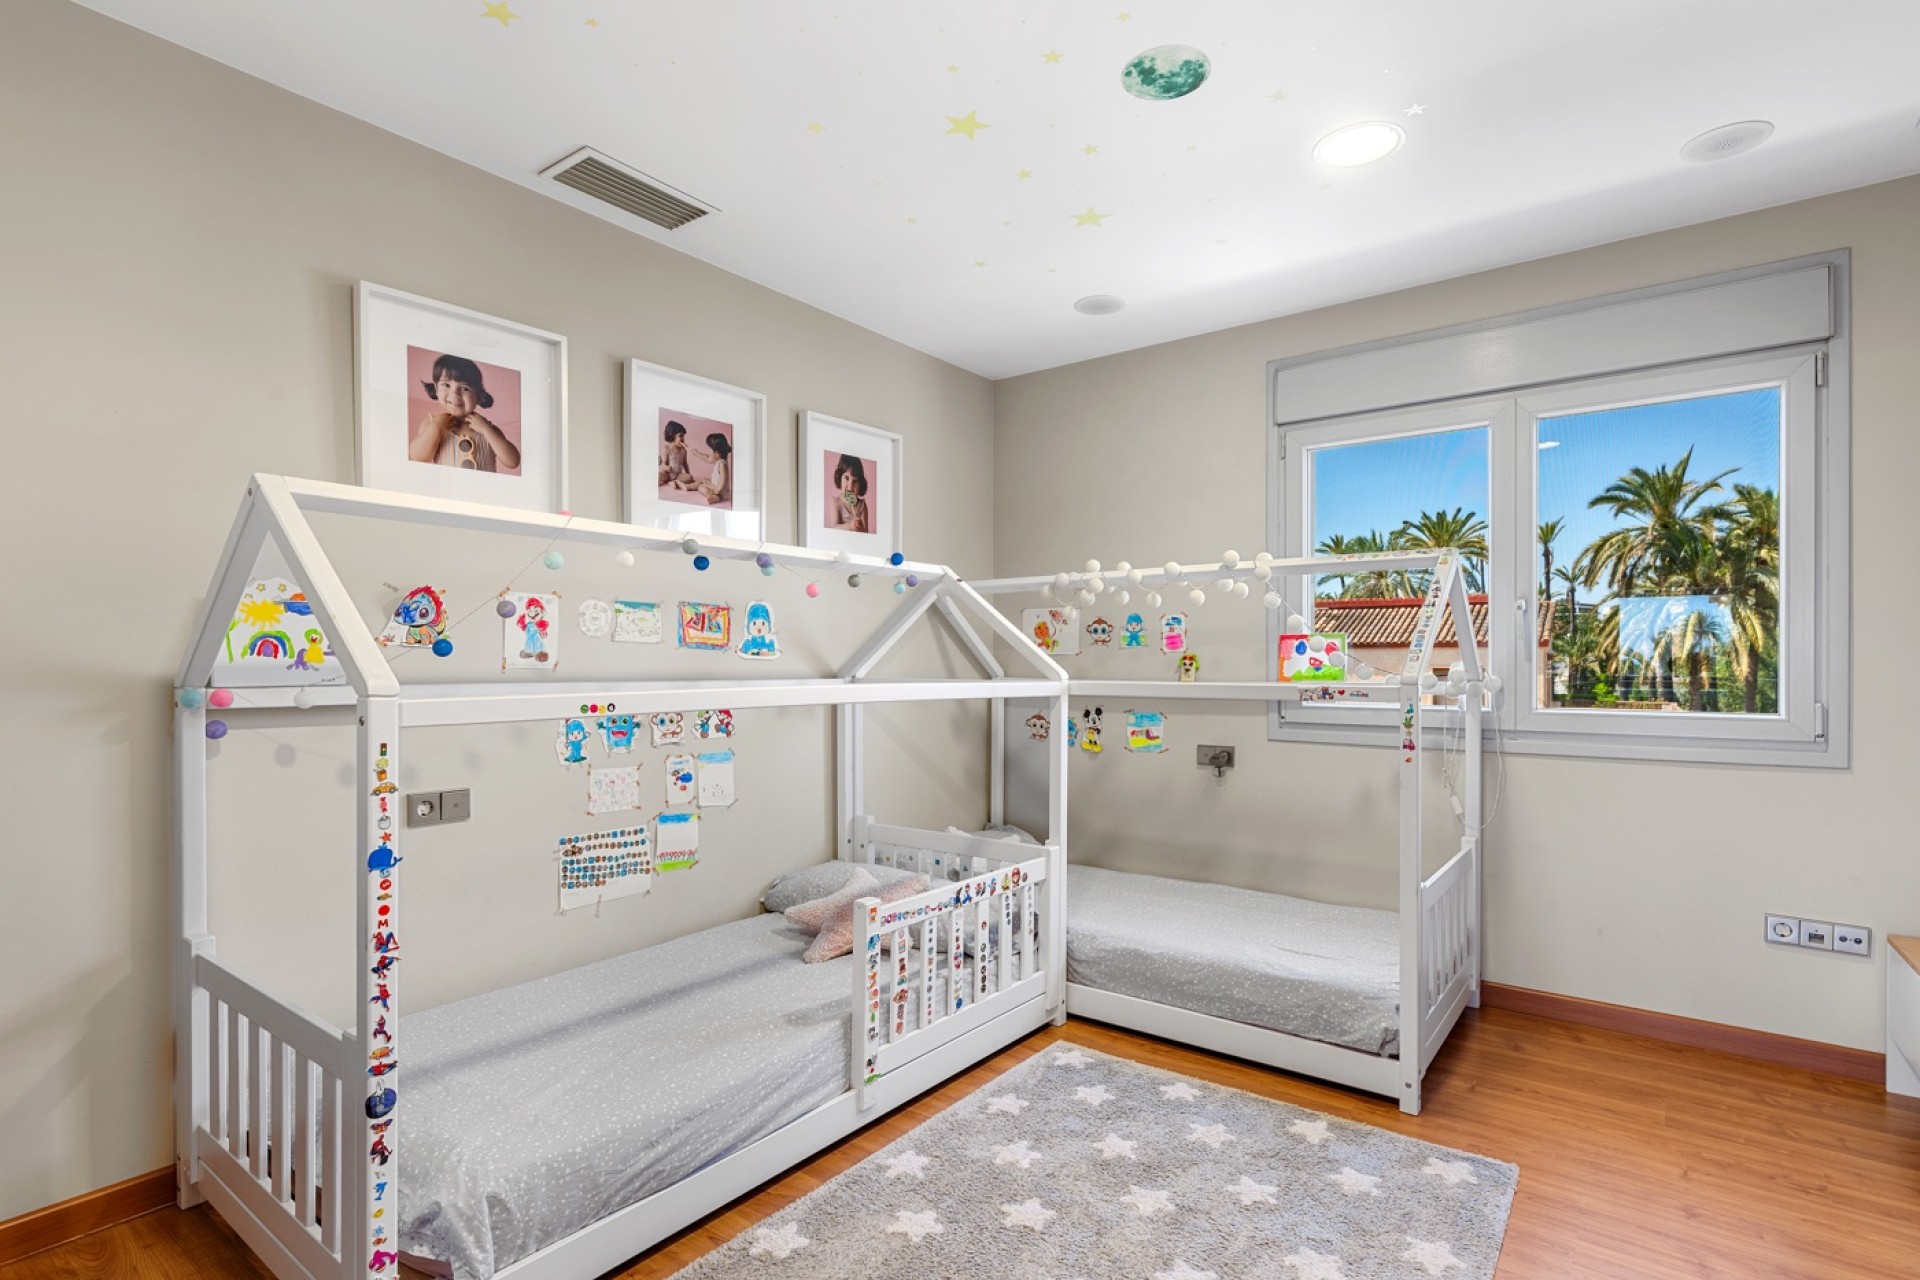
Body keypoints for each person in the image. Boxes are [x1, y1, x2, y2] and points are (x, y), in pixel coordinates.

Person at [408, 354, 520, 472]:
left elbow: (513, 462)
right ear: (436, 389)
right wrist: (435, 427)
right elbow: (417, 458)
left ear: (479, 396)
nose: (454, 394)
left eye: (464, 388)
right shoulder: (431, 423)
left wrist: (487, 430)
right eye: (446, 385)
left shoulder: (489, 429)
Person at [828, 453, 871, 532]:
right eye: (847, 478)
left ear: (860, 483)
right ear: (840, 477)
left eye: (855, 481)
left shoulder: (862, 506)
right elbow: (834, 527)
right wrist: (850, 525)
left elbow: (866, 532)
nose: (850, 486)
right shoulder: (836, 503)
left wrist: (860, 527)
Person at [694, 433, 732, 506]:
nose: (708, 451)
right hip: (717, 487)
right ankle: (713, 496)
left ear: (716, 452)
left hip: (721, 491)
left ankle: (715, 497)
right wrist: (697, 454)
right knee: (703, 482)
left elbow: (724, 481)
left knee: (701, 488)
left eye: (710, 449)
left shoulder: (722, 464)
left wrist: (717, 491)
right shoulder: (718, 461)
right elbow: (708, 459)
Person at [659, 421, 698, 491]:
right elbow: (663, 464)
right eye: (680, 436)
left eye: (684, 436)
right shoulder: (667, 449)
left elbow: (685, 464)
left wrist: (688, 474)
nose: (683, 439)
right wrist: (667, 468)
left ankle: (674, 482)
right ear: (672, 436)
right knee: (659, 474)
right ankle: (667, 481)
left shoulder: (683, 450)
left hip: (678, 475)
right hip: (667, 474)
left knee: (689, 477)